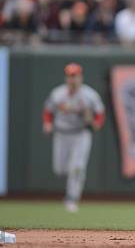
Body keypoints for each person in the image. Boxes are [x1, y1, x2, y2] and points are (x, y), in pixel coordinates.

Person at [43, 63, 105, 212]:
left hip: (81, 133)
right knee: (59, 169)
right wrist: (47, 123)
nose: (73, 79)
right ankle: (70, 193)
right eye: (71, 76)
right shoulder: (57, 94)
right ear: (66, 78)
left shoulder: (90, 95)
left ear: (81, 77)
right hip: (62, 133)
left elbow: (100, 114)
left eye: (76, 76)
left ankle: (71, 198)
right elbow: (48, 110)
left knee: (77, 167)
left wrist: (96, 123)